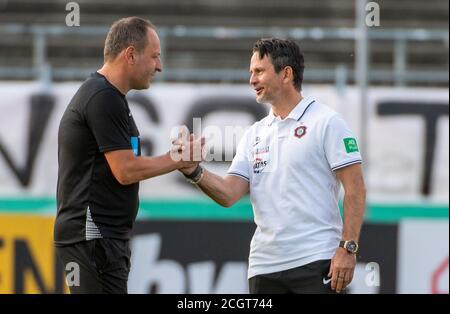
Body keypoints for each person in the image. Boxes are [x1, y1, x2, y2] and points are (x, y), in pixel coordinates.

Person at [177, 38, 366, 294]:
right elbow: (230, 193)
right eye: (251, 72)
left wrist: (348, 248)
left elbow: (355, 188)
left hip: (316, 261)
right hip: (263, 268)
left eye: (259, 71)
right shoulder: (254, 133)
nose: (252, 80)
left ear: (286, 74)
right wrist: (194, 171)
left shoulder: (327, 122)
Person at [54, 17, 199, 294]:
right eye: (155, 56)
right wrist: (179, 158)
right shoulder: (102, 97)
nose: (160, 66)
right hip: (93, 237)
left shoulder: (109, 97)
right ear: (130, 55)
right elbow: (125, 170)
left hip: (101, 239)